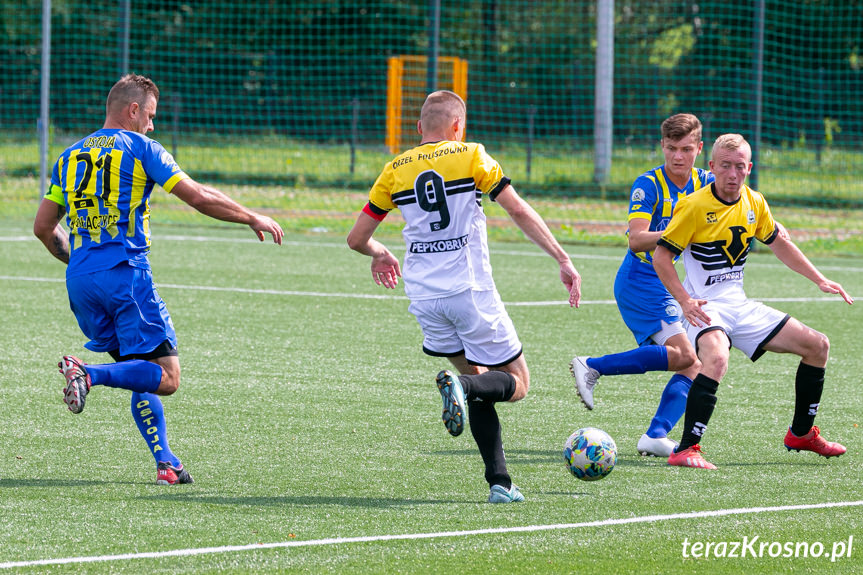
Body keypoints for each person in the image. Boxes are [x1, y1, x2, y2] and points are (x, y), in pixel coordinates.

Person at [33, 74, 284, 484]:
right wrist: (251, 215)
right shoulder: (141, 147)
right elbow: (198, 196)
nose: (151, 125)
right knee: (167, 377)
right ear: (133, 110)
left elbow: (44, 227)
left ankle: (167, 463)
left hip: (80, 282)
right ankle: (87, 373)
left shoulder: (69, 155)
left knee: (139, 370)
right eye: (149, 115)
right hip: (126, 277)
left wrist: (80, 264)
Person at [347, 90, 581, 503]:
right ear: (458, 127)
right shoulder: (472, 154)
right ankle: (463, 388)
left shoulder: (393, 169)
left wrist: (379, 252)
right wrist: (562, 258)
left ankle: (501, 484)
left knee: (477, 379)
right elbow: (518, 209)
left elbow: (357, 238)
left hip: (423, 296)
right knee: (518, 383)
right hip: (469, 291)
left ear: (419, 128)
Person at [653, 133, 853, 469]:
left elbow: (779, 243)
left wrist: (819, 279)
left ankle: (801, 434)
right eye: (726, 166)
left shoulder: (755, 202)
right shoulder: (693, 206)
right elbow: (661, 258)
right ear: (712, 166)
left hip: (739, 306)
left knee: (818, 345)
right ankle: (686, 449)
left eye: (740, 167)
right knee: (715, 358)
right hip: (705, 306)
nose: (732, 174)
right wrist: (685, 301)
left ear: (750, 168)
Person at [569, 113, 712, 457]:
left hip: (671, 283)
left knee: (694, 363)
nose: (678, 156)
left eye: (687, 149)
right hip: (641, 282)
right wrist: (680, 235)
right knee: (684, 355)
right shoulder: (648, 184)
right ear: (662, 145)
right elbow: (636, 239)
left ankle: (656, 434)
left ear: (700, 148)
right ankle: (593, 365)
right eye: (672, 148)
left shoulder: (707, 182)